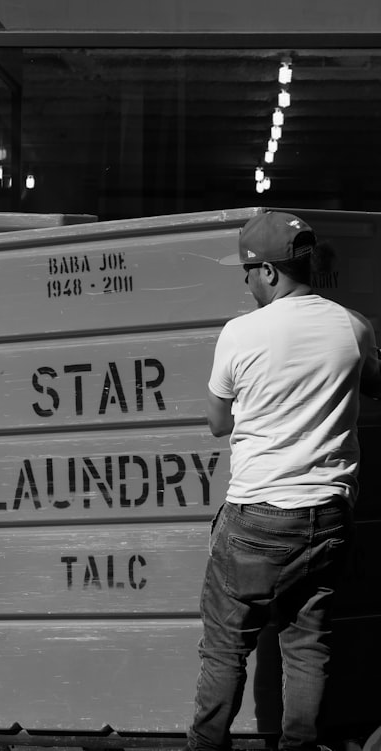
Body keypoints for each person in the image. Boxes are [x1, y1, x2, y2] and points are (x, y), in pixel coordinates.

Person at [186, 211, 381, 751]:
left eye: (246, 272)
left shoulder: (241, 333)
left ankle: (206, 746)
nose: (245, 282)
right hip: (329, 517)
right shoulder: (353, 326)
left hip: (259, 516)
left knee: (226, 646)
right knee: (308, 643)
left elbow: (218, 423)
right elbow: (376, 382)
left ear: (268, 272)